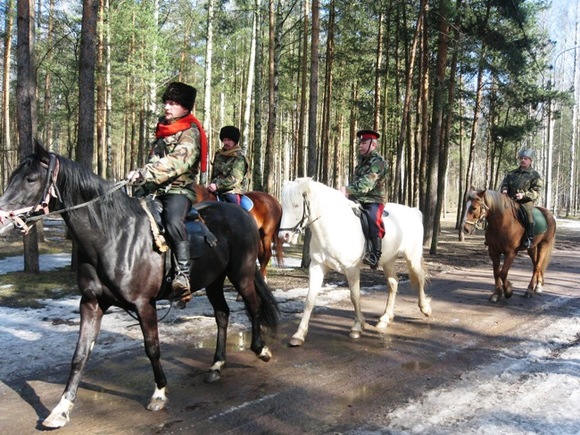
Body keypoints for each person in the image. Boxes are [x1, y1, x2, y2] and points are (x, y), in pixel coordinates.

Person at [126, 82, 207, 306]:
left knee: (172, 221)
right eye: (166, 102)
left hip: (178, 190)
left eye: (172, 103)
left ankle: (183, 274)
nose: (167, 107)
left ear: (185, 108)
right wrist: (141, 178)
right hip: (154, 189)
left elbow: (178, 162)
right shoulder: (162, 129)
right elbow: (155, 159)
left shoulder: (190, 131)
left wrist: (146, 172)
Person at [343, 129, 388, 269]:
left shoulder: (378, 162)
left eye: (364, 143)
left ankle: (375, 255)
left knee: (373, 218)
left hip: (373, 199)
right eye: (360, 143)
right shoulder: (362, 161)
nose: (360, 146)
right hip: (357, 198)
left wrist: (346, 190)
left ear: (373, 145)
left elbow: (367, 184)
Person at [499, 148, 543, 249]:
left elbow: (536, 191)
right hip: (509, 200)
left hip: (525, 201)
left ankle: (529, 238)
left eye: (526, 158)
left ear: (530, 161)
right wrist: (504, 190)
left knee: (528, 214)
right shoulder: (512, 173)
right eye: (521, 158)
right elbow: (505, 183)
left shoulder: (535, 175)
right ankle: (492, 237)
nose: (523, 160)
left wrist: (523, 195)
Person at [207, 125, 249, 206]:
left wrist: (217, 185)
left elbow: (235, 179)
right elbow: (214, 174)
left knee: (232, 207)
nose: (226, 142)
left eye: (229, 140)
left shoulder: (239, 157)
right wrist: (212, 185)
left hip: (231, 190)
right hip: (214, 188)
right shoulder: (218, 154)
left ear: (235, 141)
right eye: (224, 140)